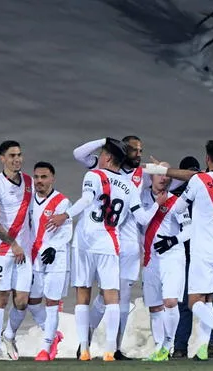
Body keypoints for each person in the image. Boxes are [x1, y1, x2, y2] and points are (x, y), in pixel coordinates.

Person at [62, 138, 165, 361]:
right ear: (122, 152)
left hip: (121, 243)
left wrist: (163, 170)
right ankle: (90, 342)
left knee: (116, 296)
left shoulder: (141, 172)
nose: (138, 154)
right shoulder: (110, 176)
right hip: (113, 239)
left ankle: (112, 347)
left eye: (141, 150)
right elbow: (78, 153)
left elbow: (169, 176)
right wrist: (160, 201)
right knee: (109, 297)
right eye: (134, 150)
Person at [145, 140, 213, 361]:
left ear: (207, 158)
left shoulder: (200, 180)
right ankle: (202, 348)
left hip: (204, 249)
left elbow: (179, 208)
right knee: (209, 299)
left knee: (193, 302)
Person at [47, 135, 145, 360]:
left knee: (83, 294)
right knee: (112, 296)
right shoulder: (130, 186)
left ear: (108, 157)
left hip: (84, 242)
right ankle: (110, 350)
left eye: (102, 153)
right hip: (111, 243)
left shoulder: (94, 175)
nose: (99, 156)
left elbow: (86, 199)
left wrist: (66, 215)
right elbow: (142, 218)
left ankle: (85, 349)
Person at [0, 140, 33, 361]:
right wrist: (13, 244)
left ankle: (9, 334)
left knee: (22, 300)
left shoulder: (29, 182)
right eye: (12, 155)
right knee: (0, 299)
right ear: (2, 158)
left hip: (25, 251)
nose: (17, 159)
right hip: (1, 250)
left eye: (19, 155)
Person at [139, 162, 191, 361]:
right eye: (158, 174)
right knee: (154, 306)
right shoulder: (141, 197)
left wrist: (173, 240)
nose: (163, 178)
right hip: (150, 258)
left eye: (166, 175)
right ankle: (159, 347)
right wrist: (151, 165)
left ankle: (168, 345)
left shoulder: (177, 201)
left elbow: (190, 228)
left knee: (170, 302)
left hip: (172, 257)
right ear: (150, 177)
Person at [171, 156, 213, 359]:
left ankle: (182, 347)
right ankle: (210, 344)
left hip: (189, 254)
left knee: (187, 303)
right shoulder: (209, 192)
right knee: (207, 300)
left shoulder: (176, 195)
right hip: (204, 253)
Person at [26, 162, 73, 362]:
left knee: (52, 303)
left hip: (57, 258)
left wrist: (54, 247)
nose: (39, 181)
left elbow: (67, 230)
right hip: (35, 257)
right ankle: (52, 333)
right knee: (31, 301)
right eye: (36, 177)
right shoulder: (28, 201)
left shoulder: (62, 202)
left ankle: (45, 348)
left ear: (52, 178)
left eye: (44, 177)